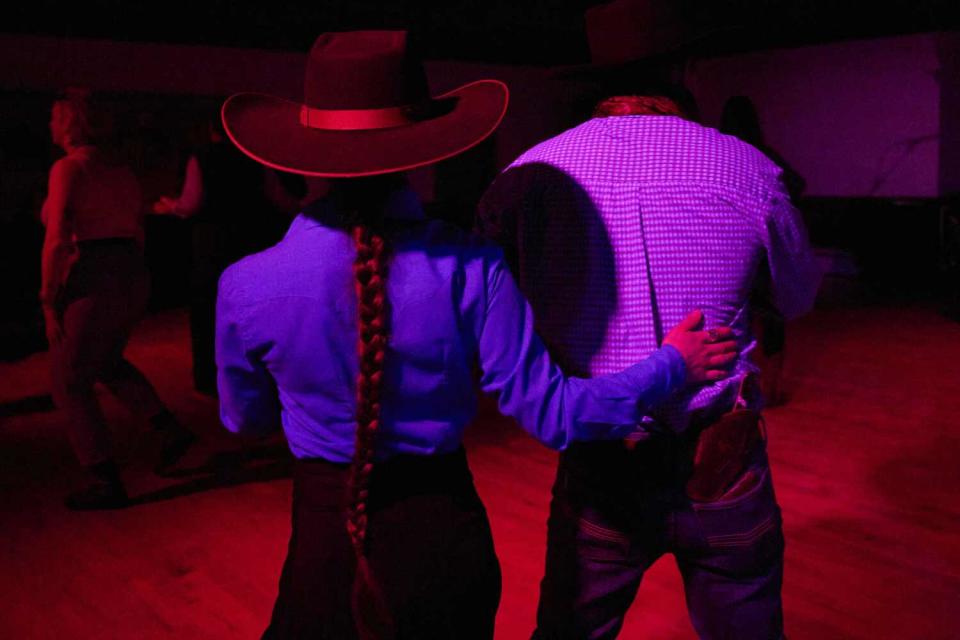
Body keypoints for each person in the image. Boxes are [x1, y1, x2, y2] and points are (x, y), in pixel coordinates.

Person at [214, 31, 739, 640]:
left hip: (323, 544)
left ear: (303, 157)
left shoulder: (245, 286)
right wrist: (672, 363)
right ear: (419, 153)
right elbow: (557, 415)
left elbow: (243, 419)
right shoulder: (472, 267)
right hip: (443, 543)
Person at [478, 83, 821, 639]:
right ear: (682, 80)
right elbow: (798, 297)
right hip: (722, 460)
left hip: (599, 458)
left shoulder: (524, 174)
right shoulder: (748, 167)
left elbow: (500, 306)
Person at [40, 89, 195, 510]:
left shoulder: (68, 169)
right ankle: (169, 431)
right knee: (106, 362)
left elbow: (56, 240)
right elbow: (138, 231)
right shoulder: (121, 172)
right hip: (131, 270)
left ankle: (105, 479)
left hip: (95, 271)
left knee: (69, 380)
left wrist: (48, 297)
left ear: (69, 124)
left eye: (54, 118)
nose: (49, 126)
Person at [153, 113, 303, 395]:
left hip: (213, 247)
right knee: (252, 311)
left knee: (209, 311)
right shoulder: (256, 158)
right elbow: (277, 198)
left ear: (211, 129)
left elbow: (191, 203)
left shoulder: (203, 156)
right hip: (250, 242)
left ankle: (211, 380)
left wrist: (171, 207)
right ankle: (258, 378)